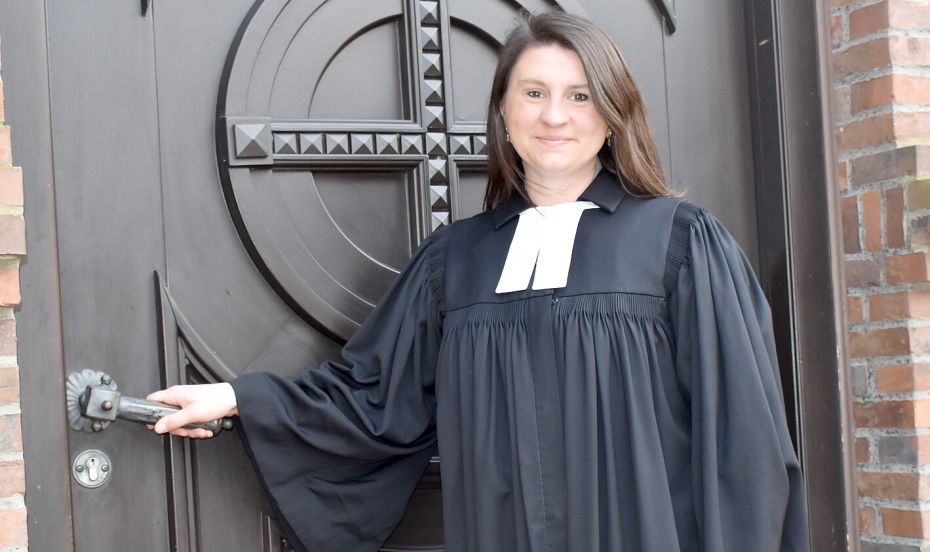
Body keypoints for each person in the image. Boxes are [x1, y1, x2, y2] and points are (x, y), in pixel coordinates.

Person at [149, 10, 809, 552]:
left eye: (579, 95)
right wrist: (240, 399)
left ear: (611, 115)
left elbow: (742, 443)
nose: (555, 116)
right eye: (533, 92)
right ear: (502, 111)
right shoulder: (455, 261)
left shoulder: (679, 242)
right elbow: (375, 400)